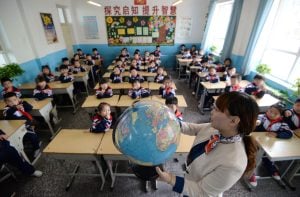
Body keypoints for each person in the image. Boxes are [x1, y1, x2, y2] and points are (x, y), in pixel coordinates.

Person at [156, 92, 259, 197]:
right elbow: (191, 128)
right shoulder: (216, 128)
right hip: (190, 177)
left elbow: (202, 192)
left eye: (217, 109)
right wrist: (170, 120)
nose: (211, 111)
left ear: (233, 121)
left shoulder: (233, 163)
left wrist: (170, 179)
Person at [245, 104, 293, 188]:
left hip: (269, 146)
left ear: (280, 115)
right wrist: (257, 122)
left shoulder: (282, 123)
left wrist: (277, 134)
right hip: (254, 143)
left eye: (275, 113)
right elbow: (257, 120)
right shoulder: (262, 117)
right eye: (270, 111)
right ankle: (251, 172)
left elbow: (289, 133)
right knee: (252, 156)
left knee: (268, 159)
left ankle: (272, 170)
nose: (272, 114)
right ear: (267, 111)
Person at [3, 92, 41, 158]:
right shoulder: (7, 109)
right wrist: (15, 108)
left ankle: (36, 148)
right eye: (9, 101)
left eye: (14, 100)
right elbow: (8, 114)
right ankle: (20, 150)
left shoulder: (21, 105)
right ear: (6, 103)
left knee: (32, 136)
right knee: (16, 140)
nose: (13, 102)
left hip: (25, 126)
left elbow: (30, 108)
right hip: (14, 128)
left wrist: (22, 101)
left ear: (18, 99)